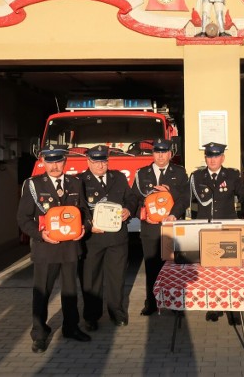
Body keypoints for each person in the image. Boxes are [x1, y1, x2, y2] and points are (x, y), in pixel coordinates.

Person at [16, 145, 92, 354]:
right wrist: (41, 235)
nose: (55, 166)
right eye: (50, 162)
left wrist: (84, 228)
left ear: (65, 162)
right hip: (45, 248)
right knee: (42, 292)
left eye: (58, 161)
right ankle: (39, 334)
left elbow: (84, 211)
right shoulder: (33, 185)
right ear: (44, 163)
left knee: (70, 291)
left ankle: (70, 327)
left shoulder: (75, 182)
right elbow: (22, 218)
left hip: (70, 247)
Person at [189, 142, 244, 322]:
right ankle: (214, 307)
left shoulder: (232, 175)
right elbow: (184, 199)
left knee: (229, 270)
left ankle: (233, 309)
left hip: (226, 230)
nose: (212, 159)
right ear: (205, 158)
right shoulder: (196, 176)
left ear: (222, 157)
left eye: (216, 156)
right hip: (205, 231)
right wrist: (174, 214)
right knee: (210, 272)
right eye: (209, 156)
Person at [78, 145, 137, 332]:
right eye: (95, 161)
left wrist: (128, 209)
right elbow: (78, 208)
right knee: (90, 279)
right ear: (88, 162)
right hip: (92, 239)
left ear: (107, 161)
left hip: (117, 238)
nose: (100, 165)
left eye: (103, 161)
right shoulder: (80, 181)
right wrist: (88, 225)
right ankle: (91, 317)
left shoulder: (118, 178)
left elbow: (132, 198)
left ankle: (117, 313)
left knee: (116, 278)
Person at [133, 138, 189, 316]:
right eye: (157, 152)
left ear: (170, 154)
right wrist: (142, 215)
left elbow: (184, 198)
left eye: (164, 152)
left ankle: (174, 304)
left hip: (171, 227)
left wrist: (173, 213)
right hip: (149, 228)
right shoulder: (141, 173)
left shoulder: (179, 173)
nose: (160, 156)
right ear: (153, 154)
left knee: (173, 267)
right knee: (151, 267)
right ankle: (152, 302)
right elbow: (134, 198)